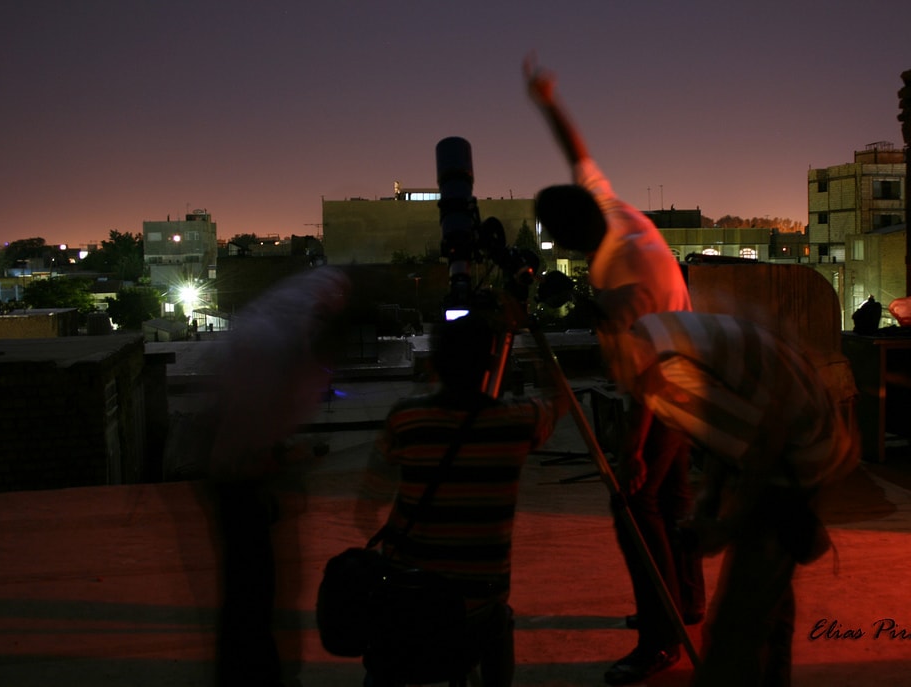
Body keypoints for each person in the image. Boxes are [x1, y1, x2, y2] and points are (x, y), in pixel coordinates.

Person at [524, 55, 704, 684]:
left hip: (670, 379)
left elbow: (645, 378)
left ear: (572, 237)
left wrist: (631, 449)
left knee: (636, 504)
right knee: (674, 496)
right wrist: (547, 100)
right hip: (688, 362)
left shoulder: (627, 280)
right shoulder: (613, 209)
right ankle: (686, 604)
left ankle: (661, 638)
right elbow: (579, 151)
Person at [617, 310, 860, 686]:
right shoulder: (667, 349)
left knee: (736, 625)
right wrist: (707, 505)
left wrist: (727, 525)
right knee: (766, 600)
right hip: (789, 446)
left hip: (799, 457)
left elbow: (763, 447)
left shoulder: (677, 364)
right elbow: (725, 434)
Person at [362, 312, 569, 687]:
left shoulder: (407, 419)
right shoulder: (517, 421)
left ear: (435, 363)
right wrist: (528, 332)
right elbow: (561, 396)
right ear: (492, 367)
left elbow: (371, 498)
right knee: (498, 621)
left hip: (410, 590)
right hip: (480, 599)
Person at [205, 266, 352, 687]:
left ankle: (255, 670)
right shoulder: (273, 347)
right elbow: (244, 443)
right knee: (251, 597)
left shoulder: (282, 337)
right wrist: (276, 461)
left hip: (243, 481)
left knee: (252, 597)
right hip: (240, 485)